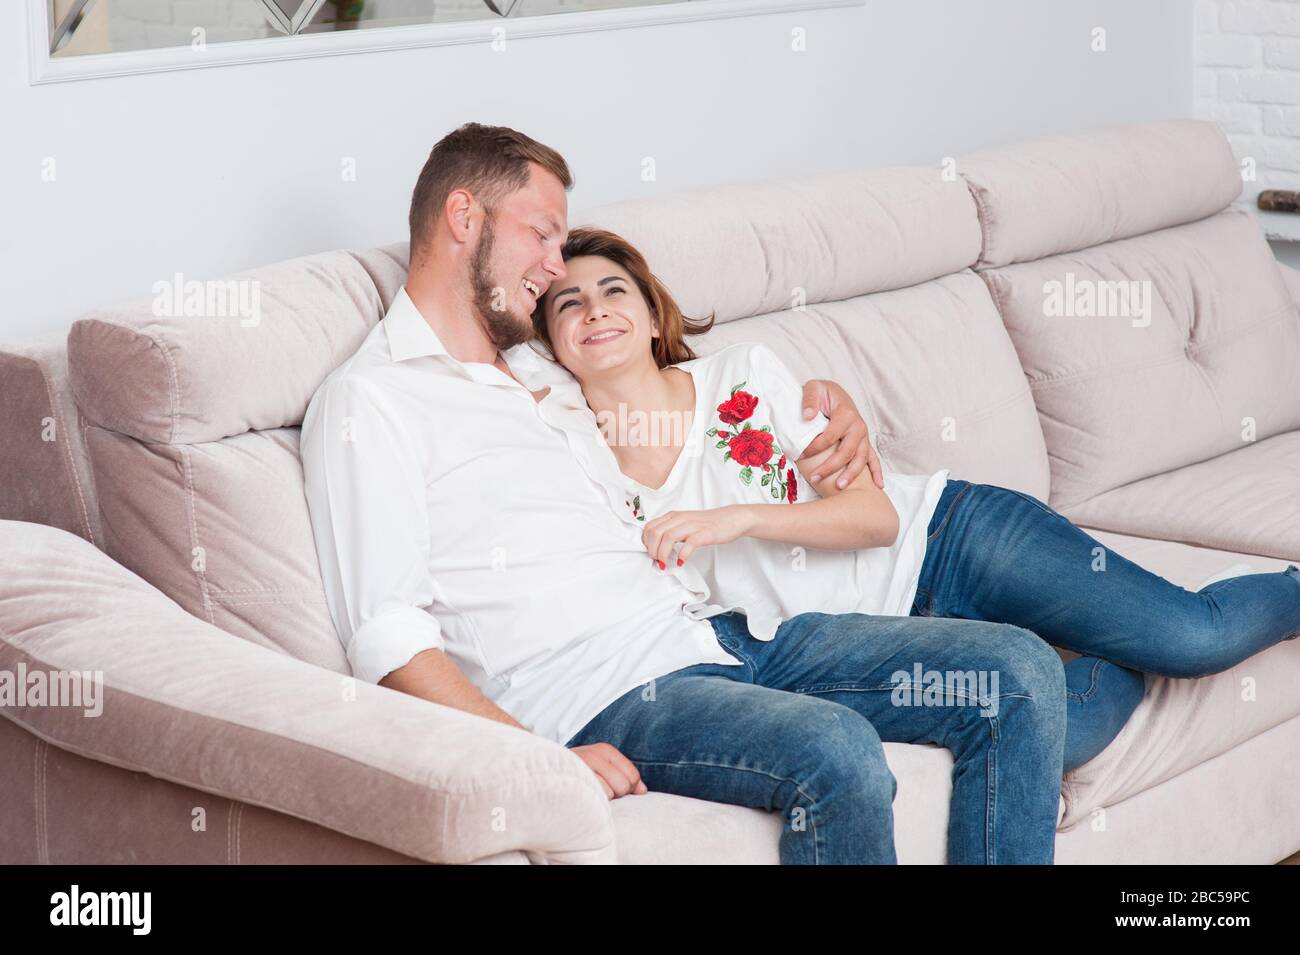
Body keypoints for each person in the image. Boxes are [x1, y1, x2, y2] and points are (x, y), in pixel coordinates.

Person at [301, 122, 1072, 864]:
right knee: (835, 751)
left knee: (1017, 671)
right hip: (609, 689)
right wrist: (539, 756)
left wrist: (832, 402)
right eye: (541, 233)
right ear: (462, 215)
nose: (553, 263)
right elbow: (389, 637)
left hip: (720, 629)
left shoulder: (540, 368)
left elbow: (688, 389)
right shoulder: (372, 400)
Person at [526, 225, 1300, 771]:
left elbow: (875, 517)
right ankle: (1117, 653)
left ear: (652, 310)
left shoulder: (740, 376)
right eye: (567, 303)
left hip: (955, 540)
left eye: (612, 289)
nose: (594, 309)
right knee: (1039, 739)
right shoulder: (579, 459)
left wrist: (737, 517)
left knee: (1194, 638)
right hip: (890, 641)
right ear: (551, 344)